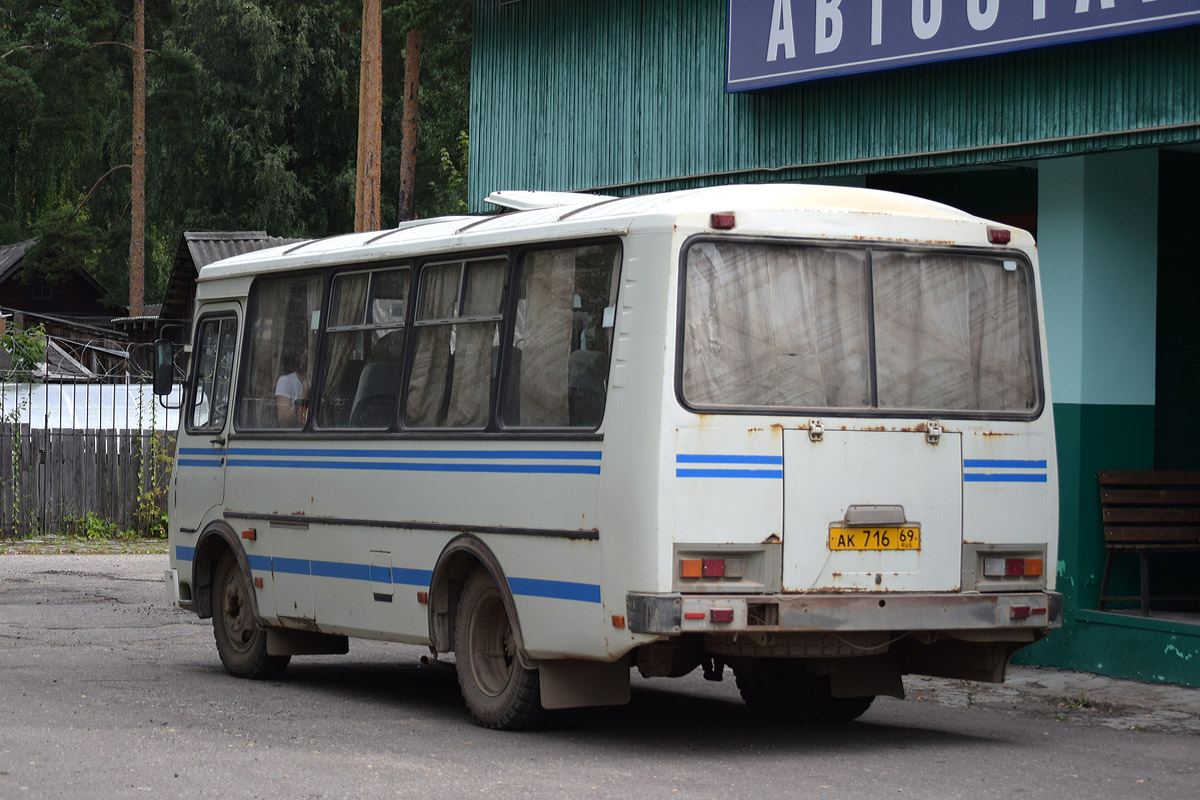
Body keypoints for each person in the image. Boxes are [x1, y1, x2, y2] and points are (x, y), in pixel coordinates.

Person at [275, 345, 310, 427]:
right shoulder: (285, 381)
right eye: (302, 355)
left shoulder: (325, 383)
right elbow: (284, 421)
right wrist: (304, 395)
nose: (304, 359)